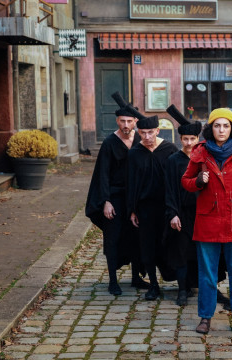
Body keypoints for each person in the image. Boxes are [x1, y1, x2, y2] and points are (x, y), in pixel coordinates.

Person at [181, 108, 232, 335]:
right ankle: (205, 317)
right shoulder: (200, 153)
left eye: (226, 126)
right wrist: (198, 181)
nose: (221, 130)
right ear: (210, 128)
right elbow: (186, 181)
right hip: (208, 221)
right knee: (207, 274)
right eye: (217, 125)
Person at [165, 105, 231, 308]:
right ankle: (183, 289)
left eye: (192, 139)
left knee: (210, 254)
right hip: (184, 213)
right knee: (183, 252)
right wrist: (173, 213)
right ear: (180, 140)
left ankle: (212, 289)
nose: (188, 143)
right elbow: (169, 189)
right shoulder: (173, 161)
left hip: (207, 212)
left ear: (198, 140)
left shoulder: (206, 157)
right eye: (185, 139)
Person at [85, 92, 149, 296]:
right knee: (112, 239)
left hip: (136, 198)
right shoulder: (109, 143)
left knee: (137, 237)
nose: (126, 124)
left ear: (135, 121)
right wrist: (106, 201)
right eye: (122, 121)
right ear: (117, 121)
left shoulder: (141, 140)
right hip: (115, 197)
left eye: (130, 121)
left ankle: (136, 278)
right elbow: (102, 175)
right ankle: (113, 280)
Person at [128, 107, 178, 301]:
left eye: (150, 132)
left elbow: (176, 181)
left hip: (167, 207)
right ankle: (154, 286)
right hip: (145, 208)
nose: (147, 137)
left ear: (158, 131)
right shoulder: (135, 153)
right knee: (147, 246)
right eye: (143, 133)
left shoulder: (170, 150)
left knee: (170, 243)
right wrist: (132, 210)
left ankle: (181, 282)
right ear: (138, 133)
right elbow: (131, 182)